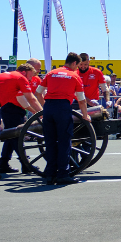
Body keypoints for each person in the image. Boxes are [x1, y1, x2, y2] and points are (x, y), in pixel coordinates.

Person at [34, 52, 90, 185]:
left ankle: (50, 174)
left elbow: (37, 93)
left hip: (49, 108)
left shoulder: (51, 73)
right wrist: (85, 115)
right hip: (63, 107)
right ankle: (63, 174)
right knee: (64, 141)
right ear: (75, 63)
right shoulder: (74, 76)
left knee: (50, 141)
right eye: (78, 66)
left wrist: (46, 106)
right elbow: (81, 101)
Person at [0, 58, 42, 173]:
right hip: (11, 107)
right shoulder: (19, 78)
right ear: (29, 67)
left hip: (21, 109)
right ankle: (25, 163)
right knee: (16, 136)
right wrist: (40, 113)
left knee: (10, 136)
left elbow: (40, 95)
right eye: (36, 69)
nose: (38, 71)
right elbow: (24, 99)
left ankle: (3, 163)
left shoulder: (36, 79)